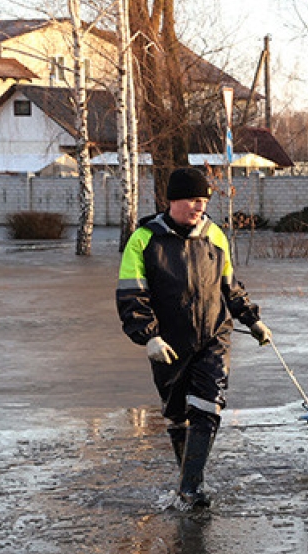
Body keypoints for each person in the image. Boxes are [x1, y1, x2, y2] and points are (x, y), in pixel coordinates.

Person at [116, 167, 271, 509]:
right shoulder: (144, 239)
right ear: (172, 200)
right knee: (176, 414)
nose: (198, 207)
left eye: (203, 200)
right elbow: (131, 295)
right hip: (168, 344)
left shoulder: (214, 235)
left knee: (208, 404)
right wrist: (149, 337)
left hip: (214, 336)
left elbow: (230, 284)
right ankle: (189, 483)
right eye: (192, 200)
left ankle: (190, 489)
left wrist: (251, 319)